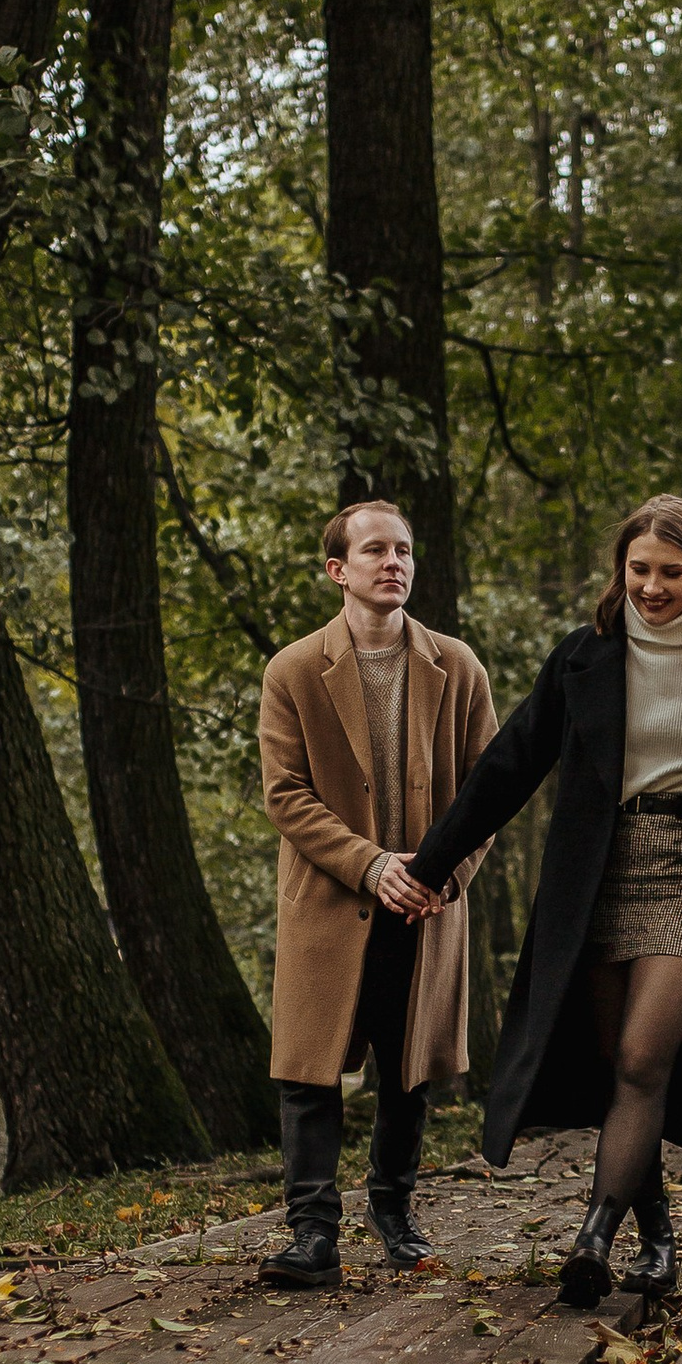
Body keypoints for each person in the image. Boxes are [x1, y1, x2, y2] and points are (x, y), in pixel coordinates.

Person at [403, 491, 682, 1307]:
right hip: (595, 876)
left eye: (672, 571)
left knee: (641, 1058)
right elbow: (509, 766)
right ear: (620, 569)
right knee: (617, 1070)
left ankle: (593, 1235)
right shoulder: (582, 657)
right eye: (640, 569)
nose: (653, 587)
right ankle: (657, 1238)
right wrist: (431, 863)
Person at [256, 498, 497, 1289]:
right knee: (309, 1068)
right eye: (375, 551)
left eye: (404, 550)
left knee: (409, 1064)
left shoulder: (458, 667)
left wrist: (443, 874)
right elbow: (286, 795)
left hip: (426, 903)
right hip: (330, 898)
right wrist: (369, 864)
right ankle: (312, 1232)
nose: (394, 562)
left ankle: (394, 1212)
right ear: (338, 569)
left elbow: (489, 791)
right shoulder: (294, 670)